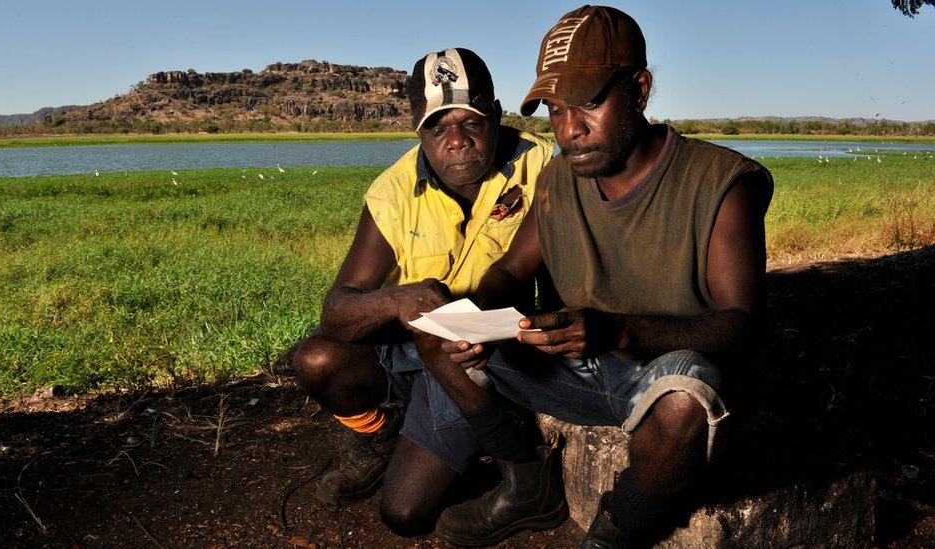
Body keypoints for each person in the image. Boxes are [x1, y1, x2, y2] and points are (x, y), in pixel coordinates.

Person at [432, 6, 775, 547]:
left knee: (685, 403)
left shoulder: (720, 182)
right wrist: (476, 321)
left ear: (639, 90)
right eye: (555, 110)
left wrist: (620, 331)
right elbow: (509, 272)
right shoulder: (557, 181)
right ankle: (525, 481)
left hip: (659, 372)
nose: (569, 130)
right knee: (440, 329)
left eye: (589, 104)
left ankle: (619, 526)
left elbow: (743, 326)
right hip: (575, 370)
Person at [289, 48, 554, 535]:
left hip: (487, 354)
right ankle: (383, 433)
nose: (456, 142)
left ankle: (486, 443)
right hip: (415, 349)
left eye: (471, 122)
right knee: (315, 359)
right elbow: (337, 311)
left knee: (404, 513)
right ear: (418, 130)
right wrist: (396, 298)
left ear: (496, 115)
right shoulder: (392, 191)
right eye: (437, 128)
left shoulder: (540, 165)